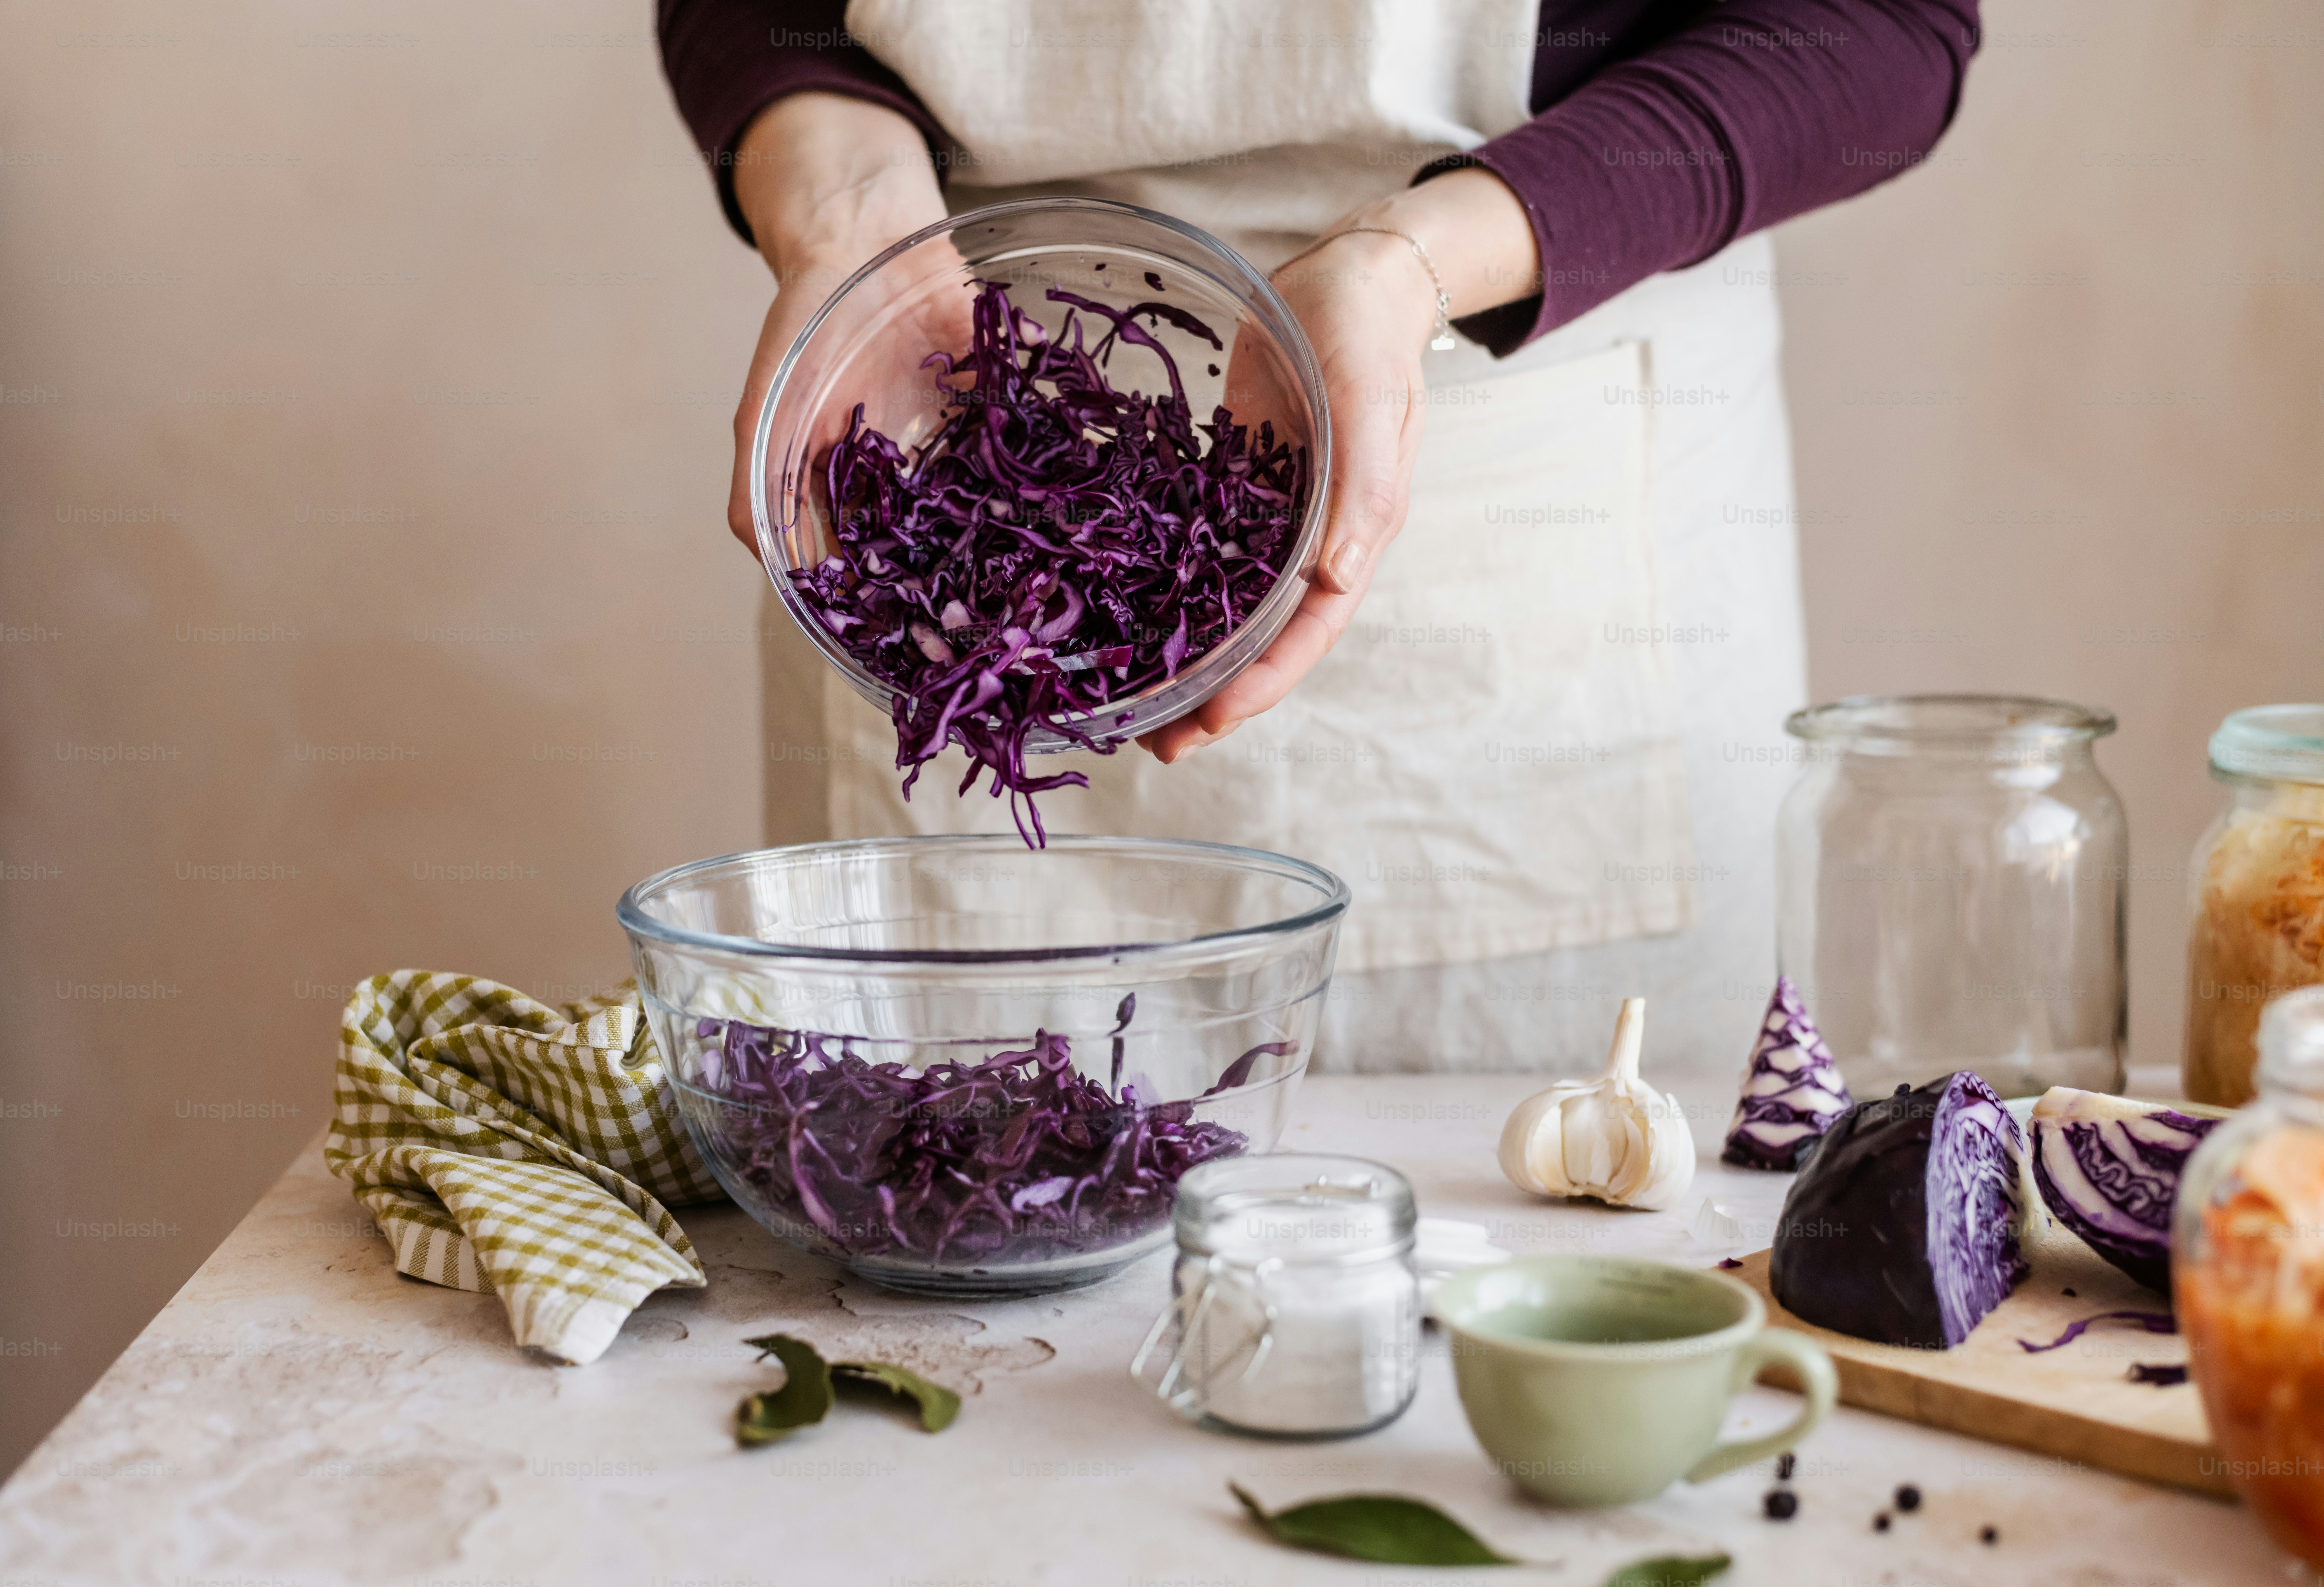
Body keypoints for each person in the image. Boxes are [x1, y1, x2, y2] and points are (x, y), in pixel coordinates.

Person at [655, 0, 1980, 1074]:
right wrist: (846, 223)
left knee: (1570, 1248)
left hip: (1522, 450)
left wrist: (1411, 260)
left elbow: (1876, 21)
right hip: (927, 405)